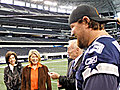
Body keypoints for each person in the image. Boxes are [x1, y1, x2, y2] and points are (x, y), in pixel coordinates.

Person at [69, 4, 120, 90]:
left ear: (85, 21)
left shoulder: (99, 53)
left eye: (72, 27)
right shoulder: (109, 45)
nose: (72, 33)